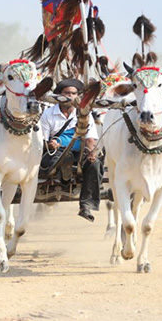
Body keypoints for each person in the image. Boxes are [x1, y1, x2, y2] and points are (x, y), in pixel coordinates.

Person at [39, 79, 102, 222]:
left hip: (79, 152)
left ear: (78, 96)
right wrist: (50, 145)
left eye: (73, 93)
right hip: (54, 152)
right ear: (59, 96)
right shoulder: (48, 114)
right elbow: (43, 141)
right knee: (60, 159)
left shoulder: (84, 114)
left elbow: (91, 139)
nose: (70, 96)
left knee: (95, 164)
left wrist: (92, 153)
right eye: (66, 93)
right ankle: (64, 175)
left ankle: (86, 206)